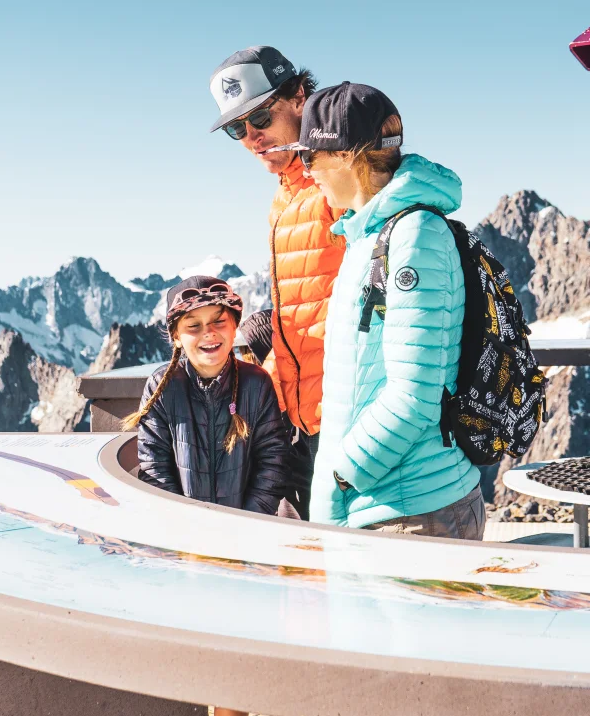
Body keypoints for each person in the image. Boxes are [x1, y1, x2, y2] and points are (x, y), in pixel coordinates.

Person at [276, 82, 485, 539]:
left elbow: (414, 398)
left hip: (412, 512)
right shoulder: (369, 233)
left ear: (348, 156)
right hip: (385, 505)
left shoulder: (413, 237)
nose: (306, 171)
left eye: (311, 157)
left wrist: (340, 477)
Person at [209, 46, 345, 519]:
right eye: (236, 128)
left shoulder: (338, 178)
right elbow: (311, 305)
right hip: (303, 420)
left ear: (299, 98)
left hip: (346, 420)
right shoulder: (286, 194)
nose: (252, 137)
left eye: (261, 117)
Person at [124, 276, 289, 516]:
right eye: (193, 326)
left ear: (234, 328)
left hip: (250, 530)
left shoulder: (257, 383)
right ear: (177, 338)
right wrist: (185, 525)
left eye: (219, 321)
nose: (209, 333)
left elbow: (273, 461)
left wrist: (251, 521)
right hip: (184, 535)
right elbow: (154, 468)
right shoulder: (163, 387)